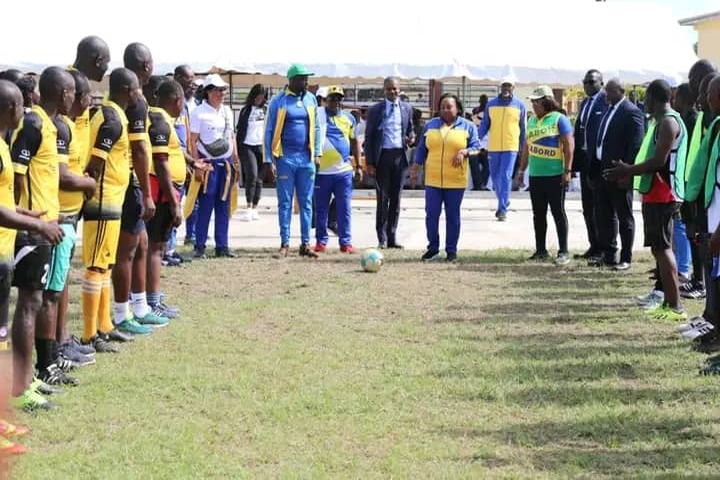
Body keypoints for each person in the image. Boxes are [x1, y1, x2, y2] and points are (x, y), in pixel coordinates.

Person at [10, 67, 74, 408]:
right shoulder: (33, 124)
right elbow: (18, 177)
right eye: (71, 92)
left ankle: (28, 378)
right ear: (62, 93)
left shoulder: (49, 125)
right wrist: (25, 220)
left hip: (45, 226)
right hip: (30, 231)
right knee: (29, 303)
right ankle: (20, 386)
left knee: (35, 302)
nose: (73, 97)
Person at [0, 79, 62, 418]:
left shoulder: (2, 146)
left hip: (6, 250)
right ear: (11, 108)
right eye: (21, 105)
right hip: (7, 246)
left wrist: (26, 214)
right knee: (21, 311)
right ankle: (16, 393)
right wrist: (37, 226)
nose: (25, 110)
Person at [604, 79, 688, 322]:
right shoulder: (660, 122)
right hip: (654, 193)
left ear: (652, 98)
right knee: (659, 248)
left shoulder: (669, 122)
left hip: (664, 194)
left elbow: (659, 161)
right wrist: (630, 176)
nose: (644, 103)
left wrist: (628, 170)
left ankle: (675, 306)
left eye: (646, 98)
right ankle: (668, 301)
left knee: (663, 248)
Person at [37, 69, 98, 376]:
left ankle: (59, 344)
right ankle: (51, 355)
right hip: (54, 219)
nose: (85, 101)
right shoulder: (55, 127)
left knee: (57, 286)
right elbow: (61, 176)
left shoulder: (61, 125)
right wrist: (88, 184)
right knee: (49, 292)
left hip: (65, 217)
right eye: (79, 95)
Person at [81, 67, 140, 354]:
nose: (140, 93)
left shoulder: (113, 114)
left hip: (113, 201)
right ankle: (89, 334)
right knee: (96, 266)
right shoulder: (112, 120)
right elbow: (94, 164)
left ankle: (104, 325)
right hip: (103, 202)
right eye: (137, 88)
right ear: (128, 90)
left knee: (105, 265)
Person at [112, 43, 169, 336]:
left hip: (130, 182)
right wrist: (146, 193)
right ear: (147, 65)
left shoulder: (133, 98)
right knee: (128, 250)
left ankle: (141, 307)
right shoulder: (136, 101)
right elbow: (139, 148)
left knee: (142, 245)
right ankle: (122, 313)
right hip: (129, 183)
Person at [412, 93, 480, 262]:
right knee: (431, 215)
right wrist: (415, 168)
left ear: (457, 108)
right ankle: (433, 249)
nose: (445, 110)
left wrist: (465, 152)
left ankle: (451, 251)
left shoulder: (468, 126)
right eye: (442, 107)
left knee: (453, 216)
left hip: (455, 181)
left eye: (449, 107)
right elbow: (421, 149)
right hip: (433, 179)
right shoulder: (430, 126)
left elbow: (477, 148)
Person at [264, 64, 321, 258]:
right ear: (291, 80)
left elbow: (317, 128)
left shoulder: (311, 99)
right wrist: (269, 159)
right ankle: (285, 243)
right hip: (285, 158)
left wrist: (317, 153)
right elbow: (269, 130)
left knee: (306, 202)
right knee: (285, 202)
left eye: (307, 79)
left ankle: (306, 243)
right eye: (302, 79)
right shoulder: (278, 101)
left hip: (306, 158)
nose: (306, 82)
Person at [515, 85, 574, 265]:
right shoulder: (532, 121)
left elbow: (569, 146)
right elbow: (527, 147)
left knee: (558, 212)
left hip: (555, 174)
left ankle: (563, 251)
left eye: (537, 102)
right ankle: (540, 250)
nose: (534, 105)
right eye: (533, 102)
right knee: (538, 214)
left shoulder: (559, 119)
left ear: (546, 101)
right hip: (536, 175)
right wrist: (521, 170)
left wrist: (567, 171)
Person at [592, 78, 645, 270]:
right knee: (605, 214)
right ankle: (609, 254)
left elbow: (636, 144)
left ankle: (626, 258)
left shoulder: (631, 112)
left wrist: (628, 172)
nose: (606, 94)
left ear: (621, 91)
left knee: (624, 216)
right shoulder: (609, 110)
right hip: (603, 170)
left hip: (620, 171)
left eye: (610, 90)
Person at [146, 80, 187, 321]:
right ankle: (151, 301)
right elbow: (161, 163)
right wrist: (174, 202)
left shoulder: (161, 119)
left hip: (165, 190)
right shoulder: (160, 122)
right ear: (177, 100)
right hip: (162, 192)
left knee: (156, 247)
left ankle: (151, 298)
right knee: (156, 247)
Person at [187, 74, 240, 259]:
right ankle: (199, 245)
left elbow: (232, 136)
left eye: (223, 90)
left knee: (223, 206)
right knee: (205, 206)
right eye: (217, 90)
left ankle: (222, 245)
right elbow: (192, 141)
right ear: (208, 91)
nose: (221, 93)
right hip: (208, 165)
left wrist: (236, 160)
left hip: (226, 164)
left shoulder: (227, 111)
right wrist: (197, 165)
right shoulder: (198, 113)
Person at [685, 74, 720, 346]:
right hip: (711, 211)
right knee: (715, 274)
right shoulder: (717, 125)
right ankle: (714, 325)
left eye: (709, 95)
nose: (705, 100)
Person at [364, 76, 415, 248]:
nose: (392, 92)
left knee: (396, 199)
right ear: (384, 90)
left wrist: (411, 137)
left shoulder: (407, 108)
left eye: (395, 89)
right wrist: (370, 162)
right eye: (389, 89)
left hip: (400, 157)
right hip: (382, 157)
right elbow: (369, 137)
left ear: (399, 89)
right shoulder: (375, 110)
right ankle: (382, 238)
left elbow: (410, 129)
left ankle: (392, 236)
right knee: (382, 199)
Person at [313, 86, 362, 253]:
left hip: (343, 172)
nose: (335, 102)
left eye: (338, 98)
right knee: (321, 209)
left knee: (344, 208)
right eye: (332, 98)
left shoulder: (349, 118)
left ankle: (345, 242)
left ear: (342, 100)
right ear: (326, 100)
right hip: (322, 172)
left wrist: (359, 166)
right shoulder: (317, 116)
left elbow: (355, 142)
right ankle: (321, 242)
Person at [478, 80, 526, 221]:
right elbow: (485, 124)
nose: (506, 88)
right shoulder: (491, 104)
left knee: (505, 175)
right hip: (494, 146)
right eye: (504, 85)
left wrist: (523, 147)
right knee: (494, 177)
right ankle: (504, 200)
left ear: (513, 87)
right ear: (500, 87)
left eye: (509, 86)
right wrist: (476, 138)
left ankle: (502, 209)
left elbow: (523, 128)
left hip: (511, 146)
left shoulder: (520, 105)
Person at [164, 64, 198, 265]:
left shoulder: (184, 105)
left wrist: (191, 161)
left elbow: (185, 136)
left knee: (178, 206)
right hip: (172, 161)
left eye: (193, 78)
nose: (192, 82)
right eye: (188, 78)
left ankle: (170, 248)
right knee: (170, 208)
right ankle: (164, 250)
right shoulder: (168, 103)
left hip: (183, 160)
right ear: (177, 77)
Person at [573, 69, 608, 261]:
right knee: (587, 206)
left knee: (600, 207)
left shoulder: (606, 101)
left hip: (598, 161)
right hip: (585, 159)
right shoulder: (585, 102)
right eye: (585, 82)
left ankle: (603, 248)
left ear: (601, 83)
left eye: (591, 82)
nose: (587, 85)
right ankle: (593, 245)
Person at [235, 83, 267, 222]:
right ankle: (248, 207)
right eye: (257, 97)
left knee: (259, 179)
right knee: (251, 175)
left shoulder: (266, 110)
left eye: (262, 97)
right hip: (247, 145)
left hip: (262, 147)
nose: (259, 99)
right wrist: (237, 149)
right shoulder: (245, 110)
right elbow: (239, 130)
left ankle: (255, 207)